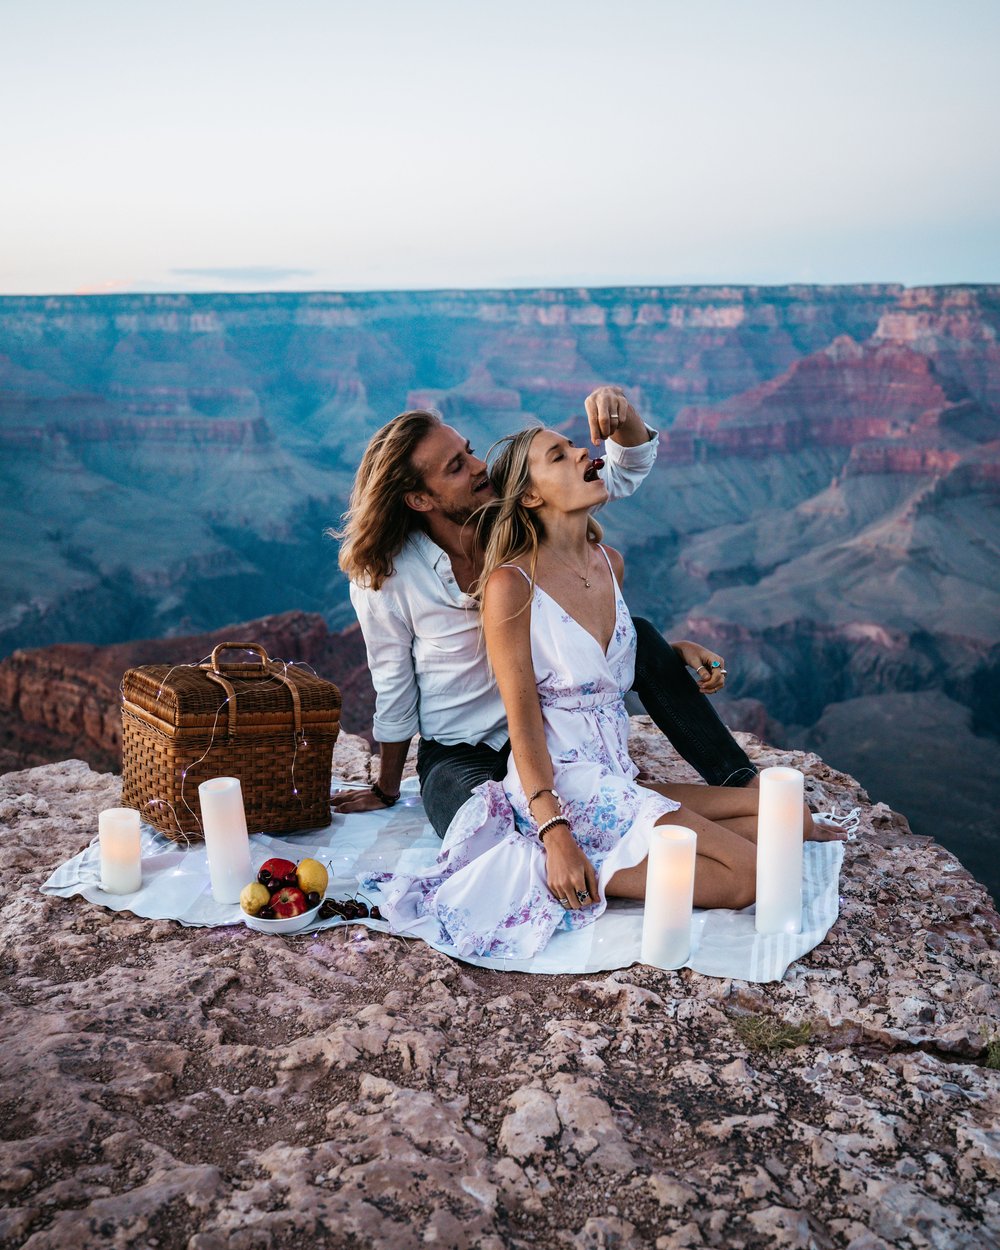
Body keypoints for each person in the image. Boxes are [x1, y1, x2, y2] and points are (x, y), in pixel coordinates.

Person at [367, 426, 816, 959]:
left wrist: (669, 651)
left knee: (794, 823)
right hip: (561, 779)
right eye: (559, 455)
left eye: (469, 452)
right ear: (530, 494)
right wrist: (554, 832)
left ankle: (613, 836)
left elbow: (586, 650)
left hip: (612, 771)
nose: (584, 453)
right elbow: (522, 717)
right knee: (748, 875)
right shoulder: (497, 582)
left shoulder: (608, 562)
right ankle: (548, 865)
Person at [331, 386, 758, 837]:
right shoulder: (387, 578)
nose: (480, 468)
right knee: (489, 837)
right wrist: (386, 787)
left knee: (644, 634)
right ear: (420, 499)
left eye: (470, 452)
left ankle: (740, 783)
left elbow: (623, 470)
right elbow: (394, 686)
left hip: (551, 739)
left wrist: (622, 412)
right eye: (457, 467)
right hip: (464, 752)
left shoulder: (515, 515)